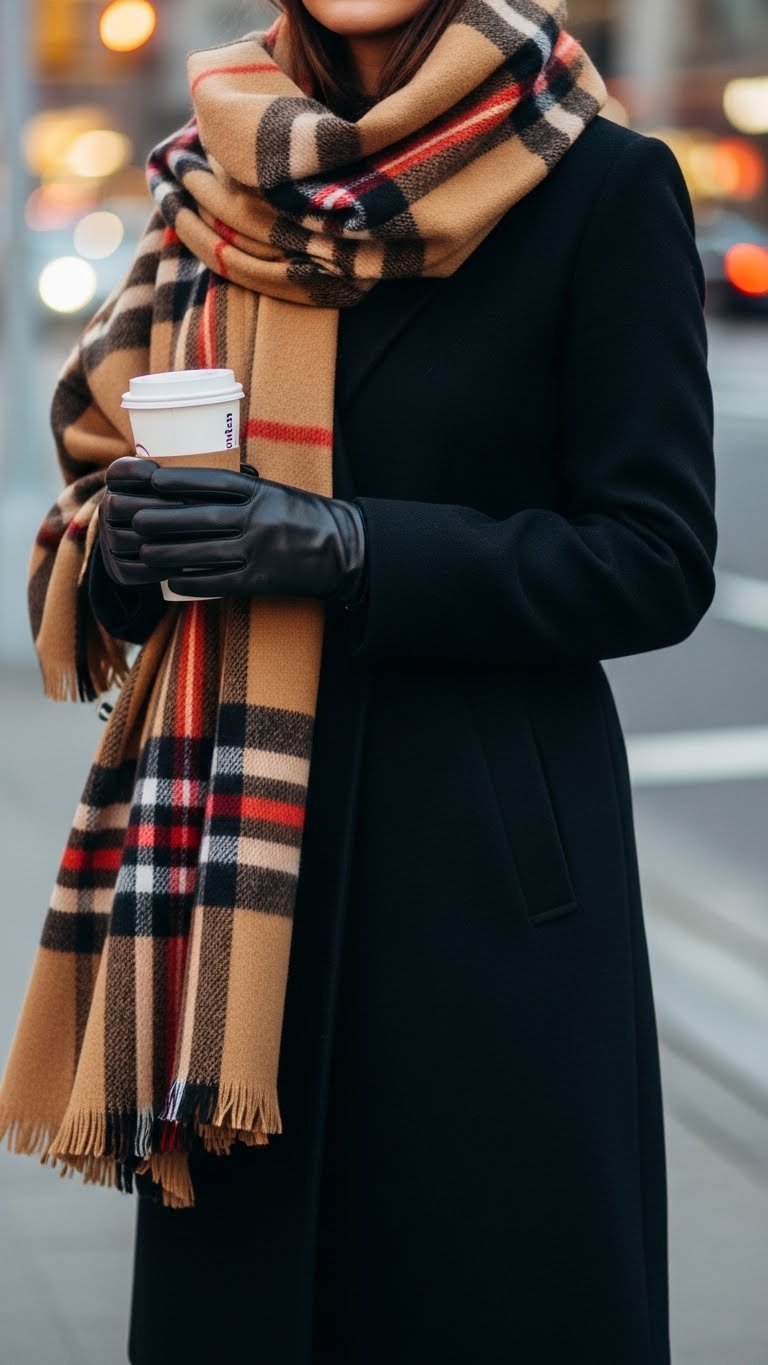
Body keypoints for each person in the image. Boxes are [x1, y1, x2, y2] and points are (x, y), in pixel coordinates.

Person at [0, 2, 716, 1362]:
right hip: (237, 899)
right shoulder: (206, 186)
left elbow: (657, 556)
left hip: (487, 907)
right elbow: (91, 497)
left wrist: (350, 542)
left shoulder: (600, 183)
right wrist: (128, 555)